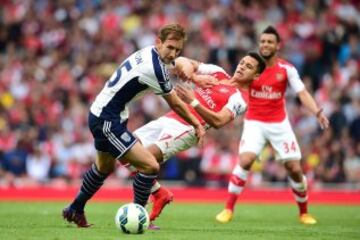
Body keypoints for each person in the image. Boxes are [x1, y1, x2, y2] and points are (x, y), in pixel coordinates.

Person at [62, 23, 207, 228]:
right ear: (159, 42)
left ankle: (75, 209)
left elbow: (175, 66)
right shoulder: (154, 68)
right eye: (170, 47)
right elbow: (174, 102)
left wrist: (192, 74)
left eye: (177, 50)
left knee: (104, 167)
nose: (173, 53)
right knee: (150, 165)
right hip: (107, 119)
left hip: (107, 114)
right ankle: (140, 217)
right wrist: (196, 124)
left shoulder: (148, 53)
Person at [129, 52, 266, 228]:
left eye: (249, 67)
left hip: (187, 128)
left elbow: (218, 121)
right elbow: (181, 61)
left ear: (256, 75)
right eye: (242, 62)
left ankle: (139, 215)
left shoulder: (241, 99)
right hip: (170, 116)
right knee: (123, 149)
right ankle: (158, 193)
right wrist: (194, 77)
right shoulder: (217, 72)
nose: (242, 67)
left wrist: (193, 102)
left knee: (144, 158)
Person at [215, 26, 329, 225]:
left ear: (278, 46)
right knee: (246, 160)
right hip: (254, 123)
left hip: (279, 124)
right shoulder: (253, 67)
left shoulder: (287, 69)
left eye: (269, 42)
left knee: (294, 168)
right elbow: (234, 82)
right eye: (262, 41)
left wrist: (317, 111)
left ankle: (304, 213)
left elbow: (301, 93)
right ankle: (228, 209)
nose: (265, 45)